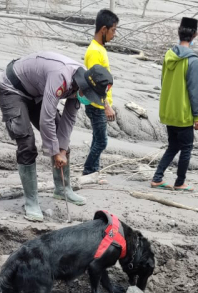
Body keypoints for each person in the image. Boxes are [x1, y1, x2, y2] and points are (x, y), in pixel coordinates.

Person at [0, 53, 113, 222]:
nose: (89, 99)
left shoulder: (83, 82)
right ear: (84, 86)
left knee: (61, 140)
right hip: (12, 89)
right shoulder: (61, 77)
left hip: (36, 92)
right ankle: (31, 202)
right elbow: (46, 118)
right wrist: (55, 152)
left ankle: (62, 189)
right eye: (90, 95)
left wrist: (62, 150)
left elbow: (69, 119)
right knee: (27, 144)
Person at [150, 17, 198, 192]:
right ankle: (180, 182)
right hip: (183, 113)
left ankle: (157, 178)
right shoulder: (192, 60)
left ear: (179, 32)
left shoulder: (168, 55)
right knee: (186, 148)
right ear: (194, 35)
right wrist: (197, 116)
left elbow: (163, 81)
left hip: (168, 110)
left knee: (173, 146)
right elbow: (194, 91)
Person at [81, 9, 118, 176]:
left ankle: (93, 172)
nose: (114, 35)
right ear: (104, 29)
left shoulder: (99, 48)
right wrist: (107, 106)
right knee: (102, 142)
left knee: (97, 139)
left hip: (99, 103)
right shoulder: (94, 52)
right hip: (97, 104)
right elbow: (96, 84)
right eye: (113, 30)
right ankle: (89, 170)